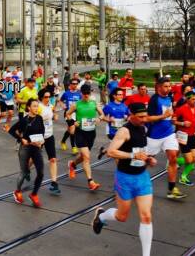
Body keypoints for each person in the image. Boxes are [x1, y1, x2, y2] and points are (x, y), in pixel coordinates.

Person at [92, 102, 156, 256]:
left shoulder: (143, 128)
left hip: (142, 177)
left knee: (146, 216)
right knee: (122, 216)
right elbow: (111, 152)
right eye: (140, 117)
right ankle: (101, 217)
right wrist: (132, 156)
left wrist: (148, 159)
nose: (144, 119)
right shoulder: (124, 131)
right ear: (131, 115)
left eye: (145, 116)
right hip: (125, 178)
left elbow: (140, 152)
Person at [146, 77, 186, 200]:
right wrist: (163, 116)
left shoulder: (170, 98)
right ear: (158, 87)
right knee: (144, 161)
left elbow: (169, 113)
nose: (169, 89)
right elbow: (148, 118)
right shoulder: (154, 100)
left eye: (169, 86)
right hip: (154, 136)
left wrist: (172, 119)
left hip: (168, 133)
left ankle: (172, 189)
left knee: (173, 157)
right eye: (166, 86)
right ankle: (131, 181)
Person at [66, 84, 106, 191]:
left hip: (91, 133)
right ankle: (90, 182)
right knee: (87, 157)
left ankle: (72, 164)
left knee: (84, 156)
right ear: (81, 93)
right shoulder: (76, 105)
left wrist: (100, 118)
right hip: (80, 133)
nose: (86, 96)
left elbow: (102, 114)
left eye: (88, 93)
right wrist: (74, 122)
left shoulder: (94, 103)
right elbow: (67, 114)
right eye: (84, 94)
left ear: (90, 93)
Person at [10, 98, 46, 208]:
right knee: (24, 172)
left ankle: (34, 194)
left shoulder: (39, 118)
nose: (37, 108)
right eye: (34, 106)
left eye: (37, 106)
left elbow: (42, 131)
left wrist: (42, 142)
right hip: (25, 148)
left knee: (41, 172)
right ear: (29, 107)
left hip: (36, 148)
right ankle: (17, 191)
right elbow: (12, 130)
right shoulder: (24, 120)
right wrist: (21, 139)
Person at [173, 91, 195, 186]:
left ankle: (183, 177)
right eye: (193, 99)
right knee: (189, 160)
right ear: (187, 100)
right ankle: (173, 160)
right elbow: (173, 121)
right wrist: (182, 123)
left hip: (192, 135)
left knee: (194, 159)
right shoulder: (181, 109)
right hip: (183, 136)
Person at [38, 90, 61, 195]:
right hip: (39, 137)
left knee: (53, 159)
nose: (48, 98)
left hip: (49, 136)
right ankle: (26, 170)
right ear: (41, 97)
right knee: (33, 160)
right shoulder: (38, 107)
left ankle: (54, 183)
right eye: (45, 97)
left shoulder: (50, 106)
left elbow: (55, 118)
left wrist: (55, 112)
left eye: (49, 96)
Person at [98, 88, 128, 160]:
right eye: (119, 95)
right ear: (115, 96)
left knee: (117, 147)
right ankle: (120, 169)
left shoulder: (124, 106)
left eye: (122, 95)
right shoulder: (109, 106)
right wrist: (108, 120)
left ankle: (104, 150)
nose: (121, 96)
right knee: (116, 151)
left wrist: (126, 118)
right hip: (112, 131)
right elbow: (101, 116)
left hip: (121, 131)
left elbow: (129, 116)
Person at [59, 79, 82, 153]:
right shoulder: (66, 93)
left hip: (76, 114)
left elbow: (82, 103)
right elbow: (60, 100)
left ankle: (63, 141)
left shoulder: (79, 94)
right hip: (68, 113)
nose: (75, 85)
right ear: (70, 85)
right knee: (72, 128)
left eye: (76, 84)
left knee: (69, 130)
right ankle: (74, 147)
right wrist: (63, 105)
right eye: (73, 83)